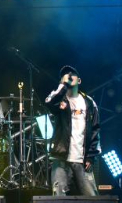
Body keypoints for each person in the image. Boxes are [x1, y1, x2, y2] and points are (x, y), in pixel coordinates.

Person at [44, 65, 100, 196]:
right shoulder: (58, 99)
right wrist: (63, 86)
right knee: (59, 197)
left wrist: (91, 156)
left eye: (72, 74)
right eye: (65, 74)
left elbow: (96, 129)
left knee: (92, 197)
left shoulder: (89, 102)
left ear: (79, 81)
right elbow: (49, 103)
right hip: (61, 157)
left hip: (82, 158)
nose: (69, 76)